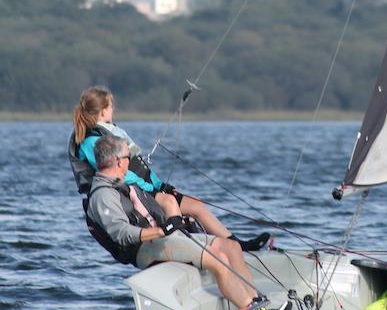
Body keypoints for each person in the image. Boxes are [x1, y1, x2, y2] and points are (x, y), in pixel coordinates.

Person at [87, 134, 290, 310]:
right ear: (116, 161)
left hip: (162, 238)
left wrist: (172, 216)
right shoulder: (103, 195)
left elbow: (149, 205)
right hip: (144, 249)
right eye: (127, 158)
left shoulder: (121, 183)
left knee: (231, 246)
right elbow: (122, 234)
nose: (129, 162)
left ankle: (256, 302)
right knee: (217, 259)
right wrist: (161, 230)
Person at [72, 86, 269, 251]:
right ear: (103, 111)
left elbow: (139, 167)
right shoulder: (90, 141)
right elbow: (118, 173)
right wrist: (152, 189)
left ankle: (237, 246)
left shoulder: (109, 132)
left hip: (144, 186)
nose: (113, 110)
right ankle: (182, 251)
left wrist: (159, 184)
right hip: (124, 193)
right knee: (169, 203)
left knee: (196, 206)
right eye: (111, 106)